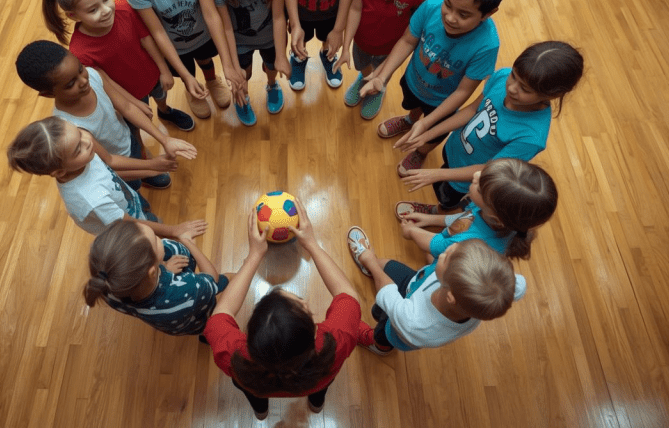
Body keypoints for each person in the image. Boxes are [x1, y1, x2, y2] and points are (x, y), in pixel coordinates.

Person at [204, 200, 374, 420]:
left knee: (253, 393)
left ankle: (261, 410)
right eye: (302, 303)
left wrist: (254, 255)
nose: (304, 302)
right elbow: (347, 295)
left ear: (249, 334)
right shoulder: (336, 341)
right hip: (317, 379)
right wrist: (311, 244)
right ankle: (316, 401)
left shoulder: (233, 354)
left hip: (255, 385)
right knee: (320, 386)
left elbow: (223, 311)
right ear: (314, 331)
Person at [359, 0, 511, 175]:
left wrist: (428, 123)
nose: (450, 17)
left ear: (488, 14)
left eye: (463, 14)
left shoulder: (487, 45)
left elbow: (463, 92)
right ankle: (410, 120)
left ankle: (420, 152)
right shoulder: (431, 5)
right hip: (414, 80)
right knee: (412, 105)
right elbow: (407, 41)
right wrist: (382, 77)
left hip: (442, 103)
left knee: (430, 134)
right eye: (448, 4)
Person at [396, 41, 584, 210]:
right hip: (454, 149)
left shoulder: (530, 137)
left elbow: (490, 170)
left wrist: (436, 175)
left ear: (551, 95)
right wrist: (428, 135)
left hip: (467, 180)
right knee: (443, 175)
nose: (511, 87)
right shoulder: (502, 77)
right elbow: (472, 110)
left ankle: (438, 213)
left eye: (524, 89)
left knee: (447, 199)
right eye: (514, 76)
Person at [14, 40, 197, 191]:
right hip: (115, 167)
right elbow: (109, 163)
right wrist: (151, 167)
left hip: (127, 139)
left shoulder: (92, 75)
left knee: (138, 153)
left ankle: (144, 172)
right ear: (48, 94)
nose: (84, 81)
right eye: (70, 84)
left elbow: (126, 107)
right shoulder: (70, 127)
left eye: (80, 69)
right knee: (131, 189)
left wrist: (164, 140)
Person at [41, 0, 195, 132]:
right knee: (139, 120)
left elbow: (147, 40)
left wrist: (164, 70)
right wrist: (133, 103)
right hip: (128, 94)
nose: (106, 10)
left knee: (161, 96)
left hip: (153, 75)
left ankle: (165, 111)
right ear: (74, 16)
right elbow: (106, 83)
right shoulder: (80, 51)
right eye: (93, 10)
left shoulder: (126, 10)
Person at [7, 116, 206, 237]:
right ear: (59, 172)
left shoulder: (83, 160)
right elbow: (131, 224)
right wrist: (175, 231)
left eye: (79, 132)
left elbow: (109, 174)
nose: (88, 141)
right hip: (127, 231)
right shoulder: (91, 199)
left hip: (129, 204)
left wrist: (153, 168)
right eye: (78, 148)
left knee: (149, 217)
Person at [347, 233, 525, 354]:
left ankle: (379, 346)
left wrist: (370, 261)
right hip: (415, 283)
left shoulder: (414, 324)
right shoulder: (501, 286)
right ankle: (379, 303)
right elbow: (519, 286)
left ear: (450, 295)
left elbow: (387, 292)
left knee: (383, 330)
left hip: (397, 329)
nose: (441, 254)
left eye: (446, 257)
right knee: (388, 274)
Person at [81, 218, 227, 336]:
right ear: (151, 272)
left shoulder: (108, 285)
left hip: (174, 324)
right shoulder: (188, 291)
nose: (161, 240)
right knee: (226, 282)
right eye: (157, 240)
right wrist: (188, 242)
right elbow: (212, 278)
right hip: (199, 317)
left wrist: (164, 268)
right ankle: (210, 335)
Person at [396, 158, 558, 262]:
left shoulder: (472, 242)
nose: (476, 175)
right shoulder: (491, 210)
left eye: (480, 188)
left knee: (432, 257)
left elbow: (436, 245)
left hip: (449, 261)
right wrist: (430, 220)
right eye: (485, 171)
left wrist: (411, 231)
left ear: (495, 216)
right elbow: (465, 217)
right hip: (451, 241)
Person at [211, 0, 291, 125]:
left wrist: (281, 55)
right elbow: (226, 27)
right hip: (239, 40)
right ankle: (242, 95)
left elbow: (279, 15)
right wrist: (234, 67)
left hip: (271, 36)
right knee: (243, 72)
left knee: (272, 65)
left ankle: (272, 85)